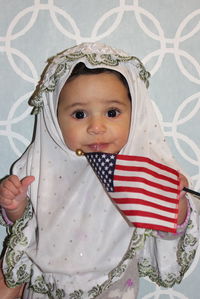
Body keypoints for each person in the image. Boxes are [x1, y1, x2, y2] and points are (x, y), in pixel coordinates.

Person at [0, 42, 199, 299]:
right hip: (47, 289)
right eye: (80, 114)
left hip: (113, 290)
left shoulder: (140, 169)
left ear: (135, 113)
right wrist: (14, 205)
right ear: (54, 116)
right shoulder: (42, 164)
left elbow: (165, 229)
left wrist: (174, 201)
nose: (96, 126)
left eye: (112, 112)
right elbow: (26, 225)